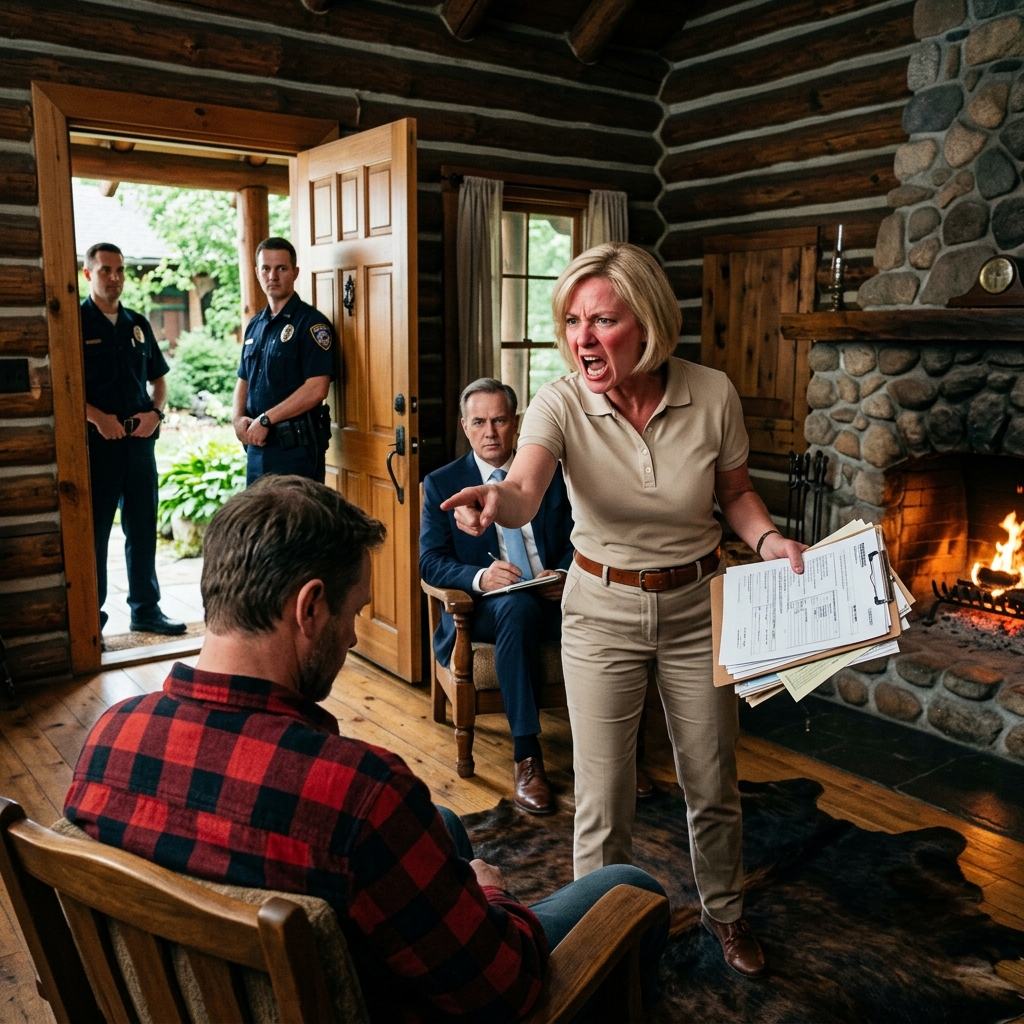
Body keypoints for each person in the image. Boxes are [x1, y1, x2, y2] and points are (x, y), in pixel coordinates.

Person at [64, 475, 667, 1021]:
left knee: (443, 825)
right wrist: (490, 892)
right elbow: (507, 987)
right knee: (629, 887)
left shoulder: (110, 738)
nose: (353, 638)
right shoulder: (363, 793)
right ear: (310, 607)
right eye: (353, 613)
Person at [441, 242, 808, 980]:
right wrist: (493, 500)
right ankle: (598, 937)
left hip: (698, 607)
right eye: (572, 321)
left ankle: (725, 912)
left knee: (712, 780)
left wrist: (768, 539)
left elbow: (735, 492)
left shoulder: (712, 393)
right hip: (600, 610)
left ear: (648, 323)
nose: (582, 337)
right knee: (603, 796)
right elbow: (525, 489)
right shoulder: (559, 401)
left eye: (602, 320)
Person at [420, 379, 574, 815]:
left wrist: (565, 573)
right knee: (515, 607)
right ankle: (527, 757)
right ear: (464, 426)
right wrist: (481, 577)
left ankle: (619, 753)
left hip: (555, 598)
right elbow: (430, 562)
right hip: (483, 610)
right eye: (479, 422)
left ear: (517, 423)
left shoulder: (547, 473)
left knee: (608, 606)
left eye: (500, 420)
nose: (490, 432)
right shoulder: (443, 483)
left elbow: (579, 537)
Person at [81, 242, 185, 637]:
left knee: (142, 529)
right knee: (94, 534)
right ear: (88, 274)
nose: (115, 277)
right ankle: (91, 616)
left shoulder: (136, 324)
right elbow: (65, 386)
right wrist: (98, 419)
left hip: (139, 443)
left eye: (120, 270)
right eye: (105, 270)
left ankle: (146, 609)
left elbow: (159, 380)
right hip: (97, 446)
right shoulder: (76, 323)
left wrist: (155, 414)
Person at [232, 237, 335, 485]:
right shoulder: (255, 325)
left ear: (295, 272)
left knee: (297, 511)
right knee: (258, 511)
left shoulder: (311, 324)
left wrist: (266, 419)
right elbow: (243, 378)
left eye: (281, 268)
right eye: (266, 268)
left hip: (296, 451)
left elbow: (317, 388)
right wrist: (236, 418)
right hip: (257, 446)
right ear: (257, 273)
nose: (273, 276)